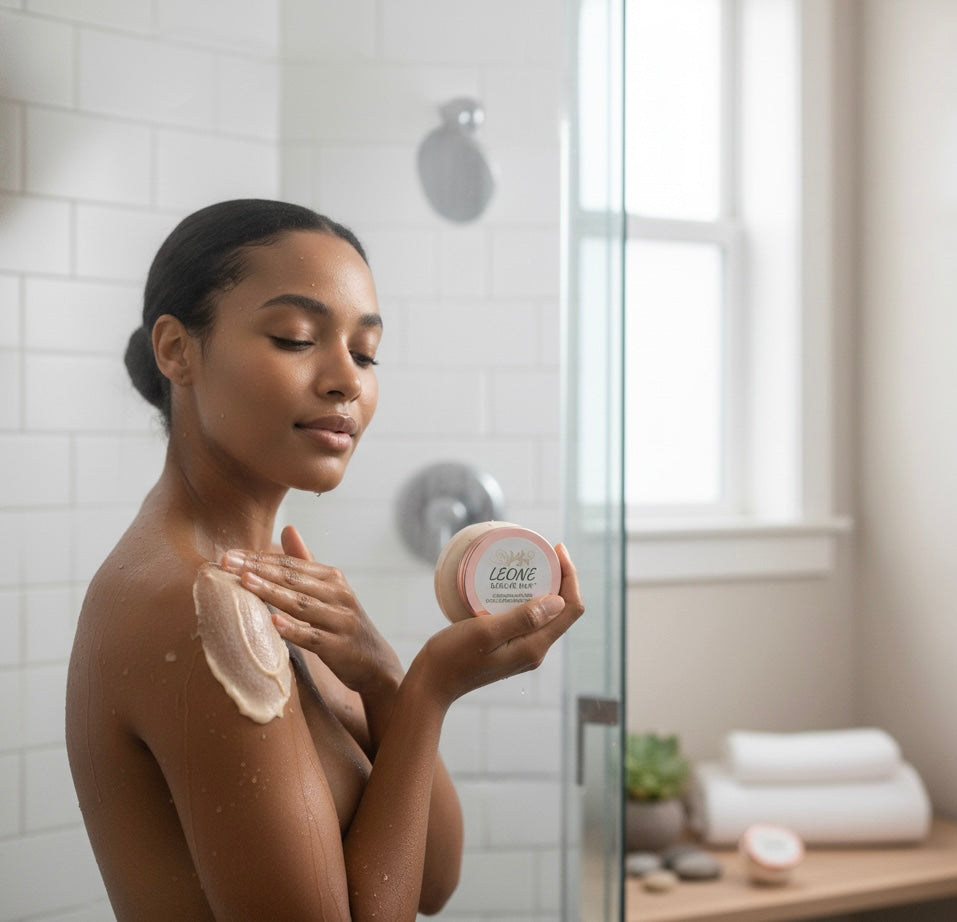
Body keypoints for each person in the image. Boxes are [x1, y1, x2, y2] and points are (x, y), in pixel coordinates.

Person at [66, 199, 584, 921]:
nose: (348, 380)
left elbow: (433, 880)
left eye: (366, 352)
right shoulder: (193, 606)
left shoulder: (261, 578)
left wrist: (382, 677)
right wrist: (431, 684)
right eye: (296, 337)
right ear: (177, 350)